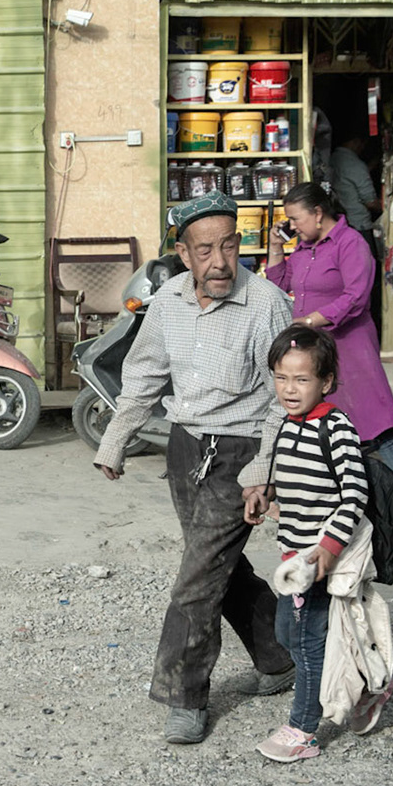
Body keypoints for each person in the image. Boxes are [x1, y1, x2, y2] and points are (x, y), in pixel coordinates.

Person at [94, 192, 296, 746]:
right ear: (184, 254)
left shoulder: (268, 304)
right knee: (217, 569)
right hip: (186, 450)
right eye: (205, 249)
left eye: (229, 245)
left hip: (240, 452)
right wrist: (116, 439)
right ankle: (280, 658)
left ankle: (185, 696)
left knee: (197, 580)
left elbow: (285, 398)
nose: (220, 262)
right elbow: (144, 375)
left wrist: (264, 467)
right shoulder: (167, 304)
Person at [265, 183, 393, 528]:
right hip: (313, 346)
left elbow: (356, 297)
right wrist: (276, 248)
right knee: (311, 418)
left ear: (318, 213)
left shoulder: (350, 244)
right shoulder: (305, 248)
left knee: (374, 422)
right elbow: (278, 285)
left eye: (296, 218)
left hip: (349, 344)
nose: (293, 225)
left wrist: (310, 320)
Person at [255, 325, 369, 763]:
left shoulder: (335, 427)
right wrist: (267, 497)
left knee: (304, 640)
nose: (289, 388)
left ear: (326, 382)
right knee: (288, 632)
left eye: (302, 380)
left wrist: (328, 548)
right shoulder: (287, 424)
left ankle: (304, 729)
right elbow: (292, 479)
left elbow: (354, 492)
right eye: (281, 378)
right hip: (292, 556)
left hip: (318, 559)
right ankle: (366, 686)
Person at [327, 132, 380, 237]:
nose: (362, 148)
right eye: (362, 145)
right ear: (356, 142)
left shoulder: (331, 160)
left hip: (338, 224)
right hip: (359, 226)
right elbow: (370, 202)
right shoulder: (356, 165)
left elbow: (347, 178)